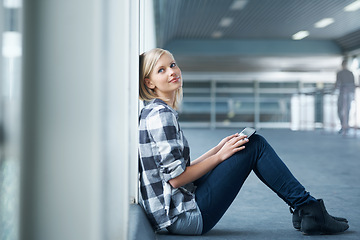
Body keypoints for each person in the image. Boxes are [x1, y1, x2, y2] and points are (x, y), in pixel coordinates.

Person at [138, 48, 349, 236]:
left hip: (180, 207)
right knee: (255, 145)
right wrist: (221, 156)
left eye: (172, 65)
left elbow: (177, 171)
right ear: (149, 82)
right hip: (185, 217)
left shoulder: (156, 112)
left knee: (245, 143)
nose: (172, 72)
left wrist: (217, 149)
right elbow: (175, 180)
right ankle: (309, 210)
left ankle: (306, 209)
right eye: (161, 70)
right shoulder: (161, 116)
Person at [335, 60, 356, 134]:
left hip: (346, 93)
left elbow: (353, 84)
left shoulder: (350, 73)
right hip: (343, 93)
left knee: (346, 110)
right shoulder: (340, 73)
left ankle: (345, 125)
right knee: (341, 109)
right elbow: (337, 83)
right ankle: (343, 125)